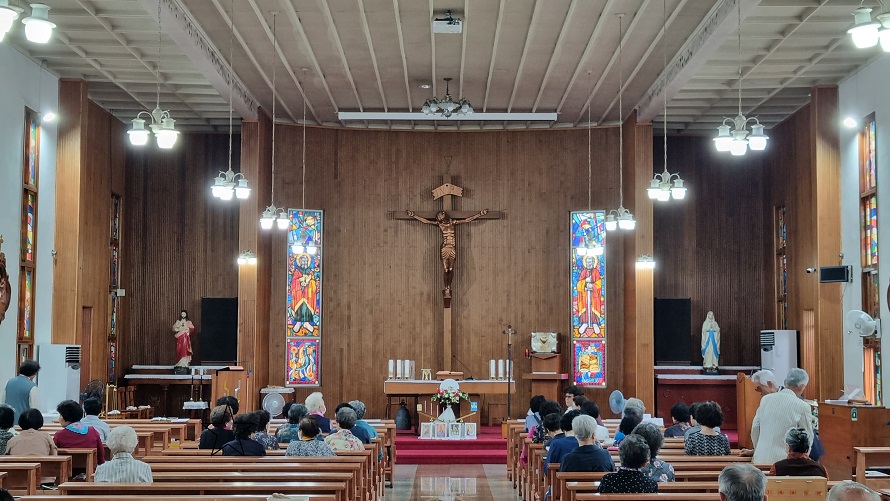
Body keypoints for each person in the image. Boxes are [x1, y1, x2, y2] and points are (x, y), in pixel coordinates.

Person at [406, 209, 488, 303]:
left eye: (442, 219)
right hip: (445, 248)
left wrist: (480, 214)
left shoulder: (453, 222)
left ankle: (449, 286)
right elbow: (426, 221)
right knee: (445, 270)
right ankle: (446, 287)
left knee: (450, 270)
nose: (441, 221)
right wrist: (413, 215)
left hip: (452, 248)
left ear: (445, 216)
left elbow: (467, 220)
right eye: (440, 220)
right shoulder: (440, 225)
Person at [751, 368, 814, 465]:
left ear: (785, 383)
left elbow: (755, 429)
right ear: (802, 386)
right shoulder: (803, 406)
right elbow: (807, 437)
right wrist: (803, 458)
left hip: (760, 458)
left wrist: (758, 450)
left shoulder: (765, 400)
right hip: (784, 463)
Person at [53, 400, 105, 464]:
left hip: (67, 471)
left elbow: (54, 456)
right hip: (90, 470)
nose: (59, 418)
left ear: (65, 417)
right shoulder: (93, 431)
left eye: (60, 415)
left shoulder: (59, 435)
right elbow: (101, 455)